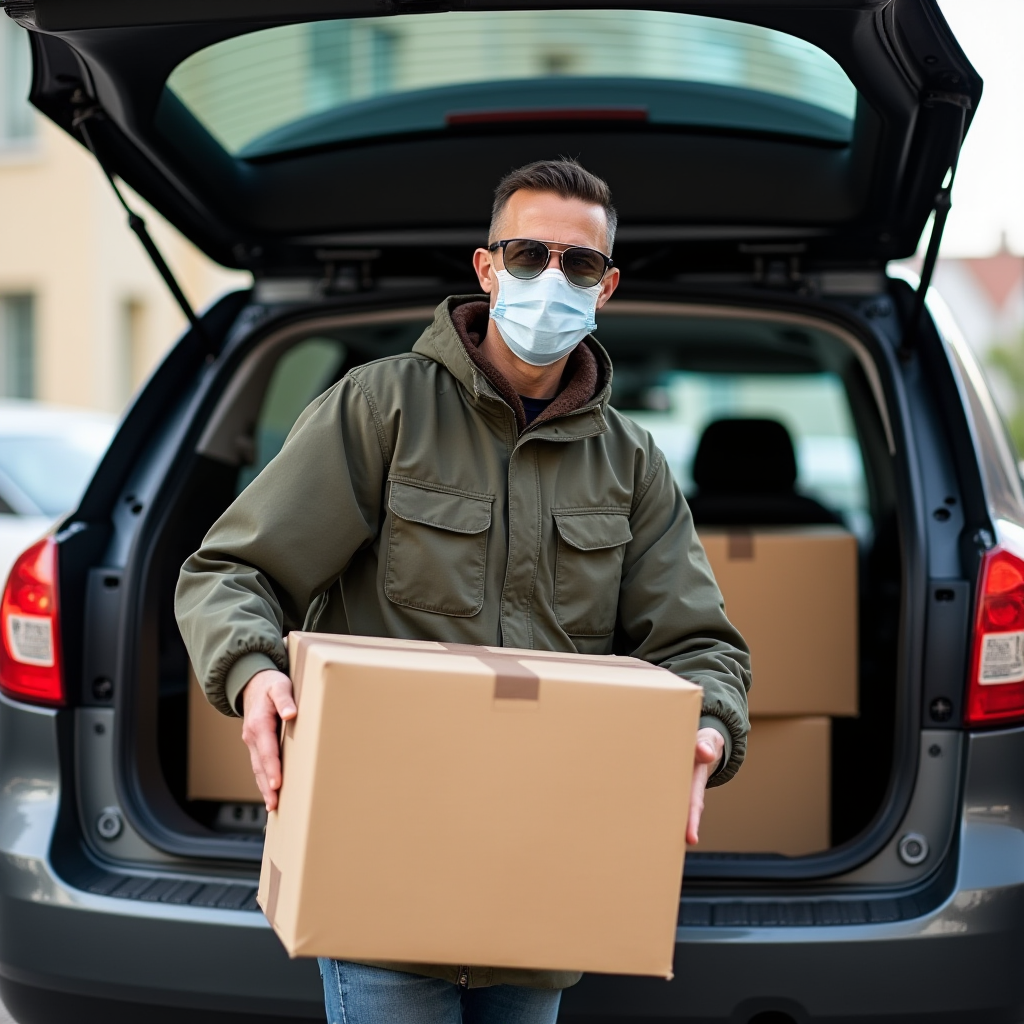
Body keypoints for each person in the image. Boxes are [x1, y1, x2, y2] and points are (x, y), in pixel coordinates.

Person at [175, 158, 751, 1024]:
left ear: (607, 287)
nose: (551, 280)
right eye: (527, 255)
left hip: (543, 878)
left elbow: (699, 642)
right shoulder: (381, 409)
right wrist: (252, 670)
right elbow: (232, 572)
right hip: (379, 875)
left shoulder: (631, 464)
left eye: (579, 265)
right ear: (486, 268)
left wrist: (708, 724)